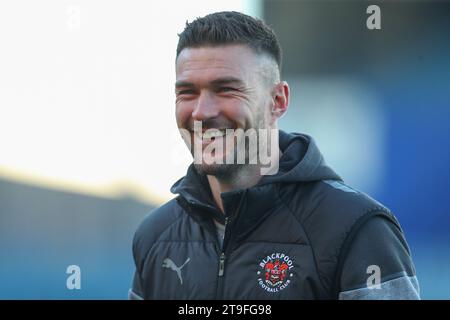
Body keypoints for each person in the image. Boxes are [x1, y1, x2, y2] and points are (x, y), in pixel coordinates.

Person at [129, 11, 420, 300]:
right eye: (188, 92)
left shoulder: (355, 228)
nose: (202, 112)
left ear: (277, 101)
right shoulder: (155, 236)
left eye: (226, 89)